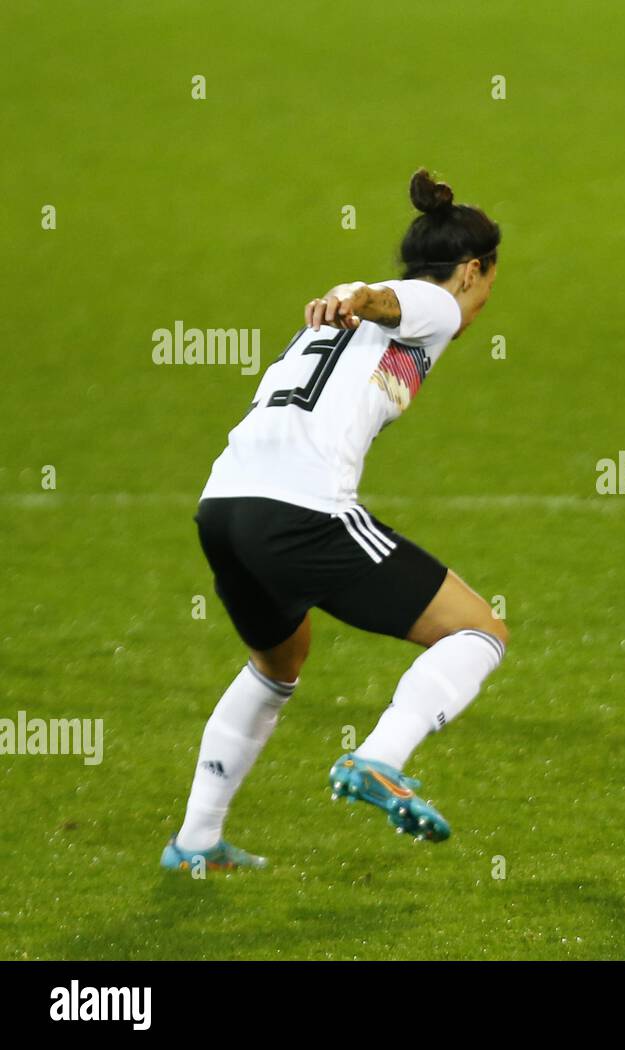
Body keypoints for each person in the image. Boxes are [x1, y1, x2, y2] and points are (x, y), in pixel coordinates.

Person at [162, 169, 508, 871]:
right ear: (473, 269)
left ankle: (195, 844)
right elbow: (389, 298)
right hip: (300, 509)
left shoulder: (350, 325)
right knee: (480, 631)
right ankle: (379, 760)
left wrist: (352, 297)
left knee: (276, 666)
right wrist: (360, 298)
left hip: (223, 506)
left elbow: (369, 298)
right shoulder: (435, 303)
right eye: (490, 282)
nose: (484, 302)